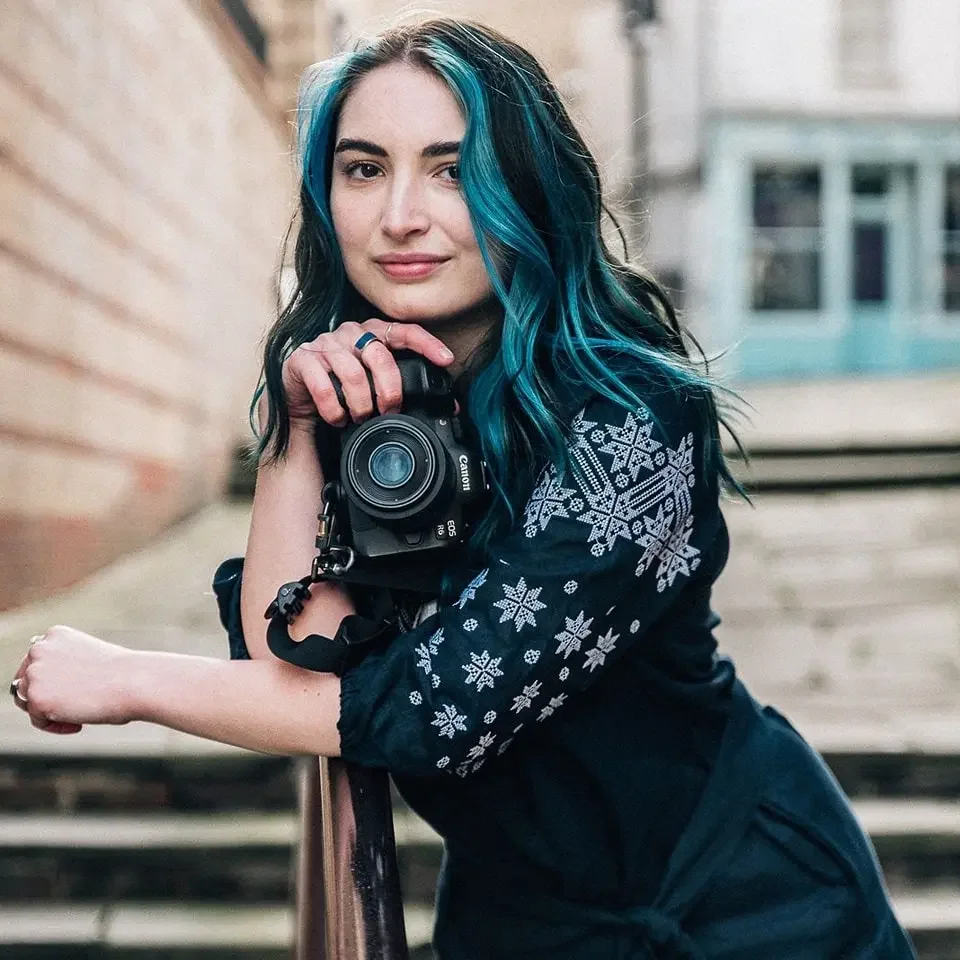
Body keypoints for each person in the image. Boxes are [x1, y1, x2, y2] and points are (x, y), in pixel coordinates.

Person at [9, 18, 914, 959]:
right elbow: (290, 667)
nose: (402, 213)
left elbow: (435, 712)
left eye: (450, 169)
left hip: (750, 909)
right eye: (364, 168)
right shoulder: (371, 401)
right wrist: (300, 428)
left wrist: (125, 678)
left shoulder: (630, 413)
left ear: (528, 186)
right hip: (519, 919)